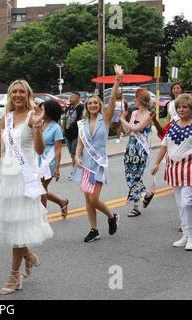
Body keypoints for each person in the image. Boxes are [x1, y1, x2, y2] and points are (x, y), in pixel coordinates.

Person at [0, 79, 53, 295]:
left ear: (27, 94)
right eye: (14, 92)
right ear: (10, 95)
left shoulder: (33, 116)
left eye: (21, 91)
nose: (18, 95)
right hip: (9, 180)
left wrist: (38, 126)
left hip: (26, 180)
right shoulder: (7, 118)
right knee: (13, 225)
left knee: (18, 226)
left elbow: (39, 151)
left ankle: (14, 274)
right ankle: (28, 255)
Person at [71, 65, 122, 243]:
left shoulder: (105, 118)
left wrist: (117, 79)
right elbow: (79, 144)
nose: (93, 105)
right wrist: (76, 157)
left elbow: (113, 98)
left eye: (95, 103)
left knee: (94, 198)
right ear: (86, 106)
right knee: (87, 198)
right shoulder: (82, 123)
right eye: (90, 103)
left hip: (99, 163)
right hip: (85, 163)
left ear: (99, 105)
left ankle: (111, 216)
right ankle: (94, 229)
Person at [151, 93, 192, 250]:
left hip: (189, 170)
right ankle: (186, 235)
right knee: (180, 204)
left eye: (185, 107)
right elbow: (164, 146)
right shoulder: (173, 125)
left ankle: (191, 235)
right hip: (173, 170)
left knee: (187, 202)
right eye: (179, 107)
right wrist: (156, 163)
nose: (181, 109)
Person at [119, 89, 153, 216]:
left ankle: (135, 207)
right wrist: (123, 119)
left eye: (135, 98)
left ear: (141, 99)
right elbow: (128, 131)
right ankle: (146, 194)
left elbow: (137, 128)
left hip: (141, 149)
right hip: (131, 146)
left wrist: (122, 119)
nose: (134, 100)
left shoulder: (150, 115)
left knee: (136, 176)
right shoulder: (133, 113)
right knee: (129, 175)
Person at [36, 100, 69, 219]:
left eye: (42, 109)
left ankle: (42, 216)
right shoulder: (40, 124)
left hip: (49, 162)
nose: (40, 111)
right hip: (37, 160)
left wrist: (57, 168)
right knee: (38, 188)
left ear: (49, 111)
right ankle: (62, 202)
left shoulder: (56, 128)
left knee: (41, 188)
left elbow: (58, 150)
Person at [63, 92, 84, 176]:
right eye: (70, 97)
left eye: (72, 97)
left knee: (74, 154)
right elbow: (64, 119)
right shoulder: (67, 108)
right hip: (68, 135)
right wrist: (63, 129)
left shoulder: (81, 108)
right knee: (72, 154)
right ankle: (77, 170)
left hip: (76, 134)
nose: (70, 99)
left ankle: (75, 172)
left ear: (77, 99)